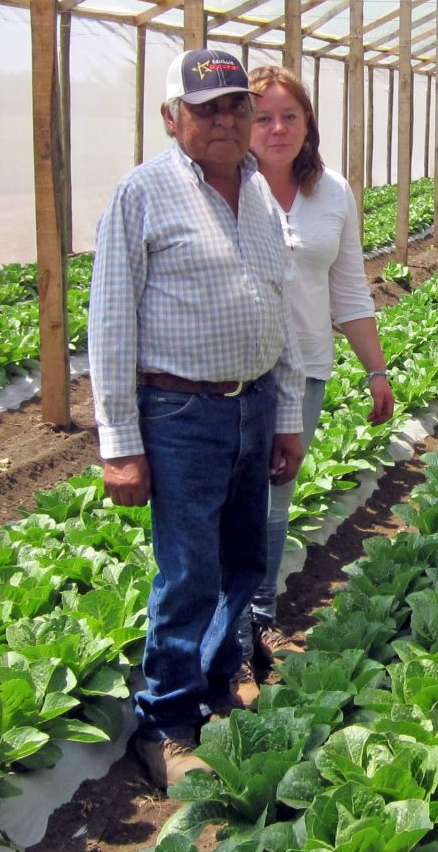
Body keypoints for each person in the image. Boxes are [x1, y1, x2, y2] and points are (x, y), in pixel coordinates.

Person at [88, 47, 306, 793]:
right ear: (171, 117)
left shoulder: (259, 193)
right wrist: (120, 443)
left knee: (243, 561)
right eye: (206, 107)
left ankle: (218, 686)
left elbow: (275, 309)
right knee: (188, 572)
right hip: (178, 409)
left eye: (236, 105)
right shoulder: (142, 194)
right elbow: (111, 322)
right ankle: (167, 724)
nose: (225, 119)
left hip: (251, 400)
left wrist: (282, 415)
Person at [241, 65, 395, 698]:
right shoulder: (228, 185)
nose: (277, 128)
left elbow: (348, 287)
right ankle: (223, 633)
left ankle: (260, 616)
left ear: (308, 125)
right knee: (227, 500)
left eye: (290, 116)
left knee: (277, 497)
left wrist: (376, 369)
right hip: (234, 371)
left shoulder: (332, 193)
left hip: (302, 366)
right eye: (263, 116)